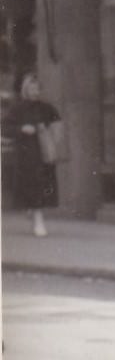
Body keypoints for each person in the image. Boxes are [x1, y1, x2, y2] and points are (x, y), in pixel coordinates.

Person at [5, 72, 62, 237]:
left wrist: (50, 134)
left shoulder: (47, 108)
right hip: (25, 154)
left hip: (44, 153)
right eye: (32, 88)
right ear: (25, 89)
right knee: (32, 186)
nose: (35, 92)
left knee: (40, 187)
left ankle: (37, 216)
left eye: (38, 88)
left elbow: (58, 126)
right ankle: (37, 218)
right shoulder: (17, 108)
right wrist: (21, 129)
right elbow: (5, 128)